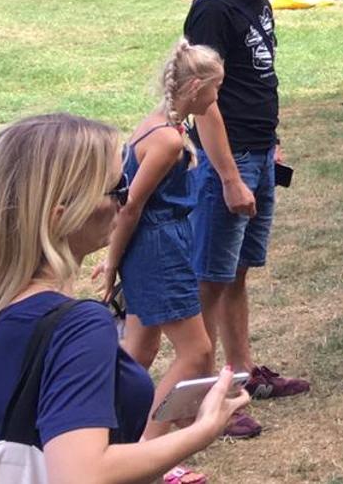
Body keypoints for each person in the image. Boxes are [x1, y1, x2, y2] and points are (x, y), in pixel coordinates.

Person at [0, 114, 250, 484]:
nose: (126, 201)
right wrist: (201, 431)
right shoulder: (76, 326)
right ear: (61, 216)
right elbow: (83, 474)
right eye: (118, 188)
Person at [183, 0, 308, 439]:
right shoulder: (213, 9)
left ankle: (241, 373)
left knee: (235, 273)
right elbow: (201, 102)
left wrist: (270, 142)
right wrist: (230, 176)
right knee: (210, 280)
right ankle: (204, 398)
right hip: (227, 162)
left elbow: (256, 81)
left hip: (259, 153)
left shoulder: (257, 0)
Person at [96, 41, 225, 459]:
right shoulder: (168, 140)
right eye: (215, 89)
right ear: (195, 87)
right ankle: (150, 446)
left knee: (139, 349)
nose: (216, 99)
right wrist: (112, 263)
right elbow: (130, 204)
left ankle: (104, 433)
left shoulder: (158, 124)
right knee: (197, 351)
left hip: (157, 244)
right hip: (159, 249)